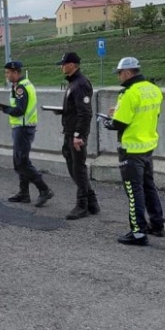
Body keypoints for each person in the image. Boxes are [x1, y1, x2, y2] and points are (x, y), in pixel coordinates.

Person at [103, 57, 165, 246]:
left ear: (128, 73)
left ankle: (138, 232)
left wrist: (108, 121)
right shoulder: (154, 90)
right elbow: (152, 115)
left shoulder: (129, 93)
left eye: (120, 73)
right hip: (148, 146)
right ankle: (157, 224)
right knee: (148, 186)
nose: (119, 77)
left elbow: (120, 123)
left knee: (133, 190)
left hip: (131, 149)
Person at [0, 60, 54, 204]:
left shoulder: (21, 87)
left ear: (15, 72)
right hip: (22, 127)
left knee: (22, 162)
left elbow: (20, 110)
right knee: (20, 161)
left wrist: (4, 109)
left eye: (8, 73)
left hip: (23, 128)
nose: (6, 75)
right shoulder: (22, 85)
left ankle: (44, 190)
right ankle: (24, 193)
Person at [54, 52, 99, 219]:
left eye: (64, 64)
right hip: (70, 131)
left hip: (76, 133)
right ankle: (92, 201)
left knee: (78, 167)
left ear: (73, 65)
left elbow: (85, 112)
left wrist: (79, 135)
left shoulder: (80, 84)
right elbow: (75, 108)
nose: (62, 66)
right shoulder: (73, 83)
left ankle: (82, 205)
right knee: (73, 165)